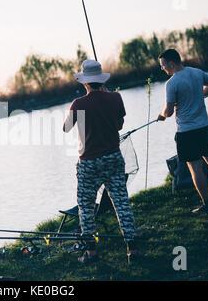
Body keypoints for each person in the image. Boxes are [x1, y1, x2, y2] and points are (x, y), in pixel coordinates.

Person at [63, 59, 139, 265]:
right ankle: (132, 249)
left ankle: (91, 253)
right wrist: (108, 98)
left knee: (86, 207)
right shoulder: (116, 97)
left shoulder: (78, 104)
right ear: (101, 79)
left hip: (88, 163)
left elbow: (66, 128)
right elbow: (119, 124)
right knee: (121, 202)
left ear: (85, 82)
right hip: (113, 157)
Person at [157, 49, 208, 214]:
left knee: (195, 168)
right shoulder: (197, 72)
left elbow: (168, 112)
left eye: (163, 66)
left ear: (171, 63)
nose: (163, 69)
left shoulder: (171, 83)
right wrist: (200, 95)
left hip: (187, 132)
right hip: (204, 127)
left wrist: (161, 115)